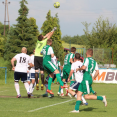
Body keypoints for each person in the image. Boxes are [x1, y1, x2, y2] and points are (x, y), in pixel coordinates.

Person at [70, 48, 107, 113]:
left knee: (86, 96)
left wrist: (78, 69)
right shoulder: (94, 61)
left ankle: (102, 98)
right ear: (92, 54)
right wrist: (93, 78)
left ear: (86, 53)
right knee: (79, 94)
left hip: (86, 78)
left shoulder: (86, 59)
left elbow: (84, 67)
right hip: (86, 78)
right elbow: (97, 72)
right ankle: (76, 109)